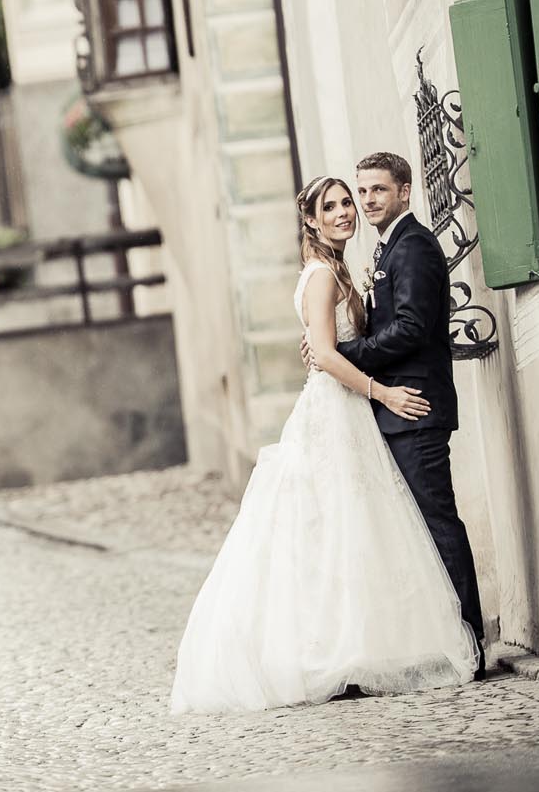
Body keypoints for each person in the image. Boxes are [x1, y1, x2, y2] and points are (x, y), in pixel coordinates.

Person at [169, 173, 479, 714]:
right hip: (338, 409)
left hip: (351, 411)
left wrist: (335, 353)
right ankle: (334, 650)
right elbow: (328, 356)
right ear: (311, 220)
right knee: (334, 530)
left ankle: (366, 644)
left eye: (346, 203)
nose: (344, 212)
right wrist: (382, 391)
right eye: (330, 207)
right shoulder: (320, 275)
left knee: (356, 531)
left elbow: (334, 343)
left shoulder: (337, 269)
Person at [331, 152, 487, 672]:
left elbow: (412, 328)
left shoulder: (414, 245)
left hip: (415, 405)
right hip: (397, 408)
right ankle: (445, 638)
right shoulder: (389, 246)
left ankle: (470, 643)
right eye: (362, 191)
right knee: (417, 527)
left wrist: (345, 353)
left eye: (378, 189)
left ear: (405, 191)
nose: (367, 200)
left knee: (437, 522)